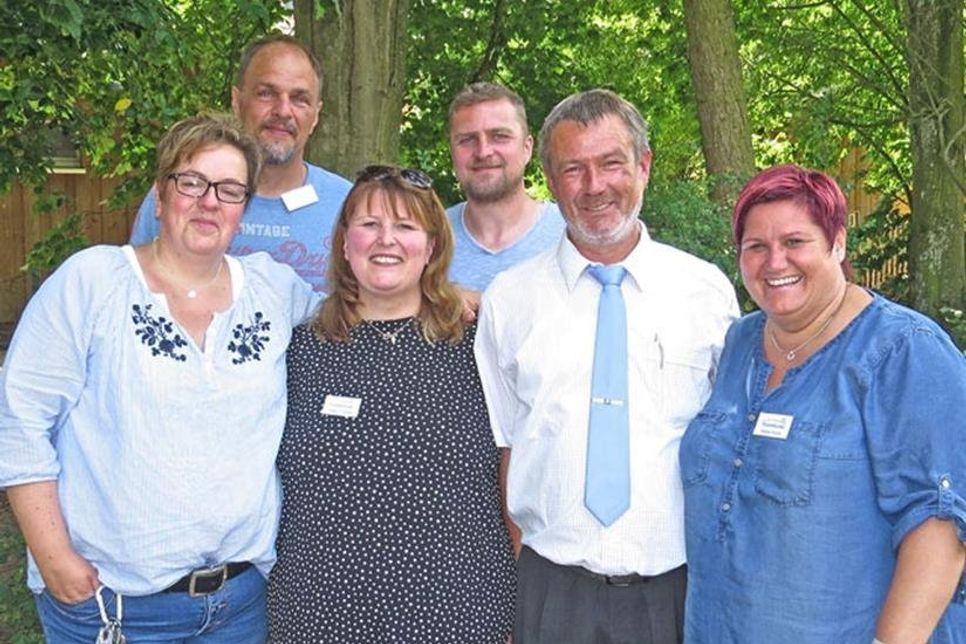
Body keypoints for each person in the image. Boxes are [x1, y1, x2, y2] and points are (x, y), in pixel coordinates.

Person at [0, 113, 317, 642]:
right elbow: (19, 419)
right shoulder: (94, 282)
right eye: (191, 181)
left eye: (230, 189)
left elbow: (359, 314)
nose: (209, 200)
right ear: (161, 194)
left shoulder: (273, 289)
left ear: (243, 207)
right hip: (113, 607)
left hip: (237, 607)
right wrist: (52, 555)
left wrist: (449, 296)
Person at [475, 89, 739, 643]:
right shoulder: (510, 300)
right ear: (548, 177)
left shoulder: (706, 292)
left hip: (677, 589)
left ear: (643, 166)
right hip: (551, 590)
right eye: (573, 169)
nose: (594, 186)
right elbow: (508, 442)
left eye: (611, 163)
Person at [680, 164, 966, 643]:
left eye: (795, 242)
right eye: (756, 247)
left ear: (837, 243)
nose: (775, 262)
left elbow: (941, 527)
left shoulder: (903, 350)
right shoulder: (739, 343)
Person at [267, 165, 516, 643]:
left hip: (457, 613)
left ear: (433, 246)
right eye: (369, 225)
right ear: (343, 242)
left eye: (405, 227)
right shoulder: (297, 349)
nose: (387, 240)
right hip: (319, 615)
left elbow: (514, 475)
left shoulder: (479, 346)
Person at [130, 34, 351, 291]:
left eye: (299, 99)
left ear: (315, 116)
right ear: (237, 101)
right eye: (266, 93)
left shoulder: (348, 205)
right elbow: (136, 290)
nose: (283, 111)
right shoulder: (182, 197)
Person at [446, 82, 565, 290]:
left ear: (527, 148)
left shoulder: (571, 235)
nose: (483, 152)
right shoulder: (427, 237)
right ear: (452, 153)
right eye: (467, 140)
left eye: (499, 136)